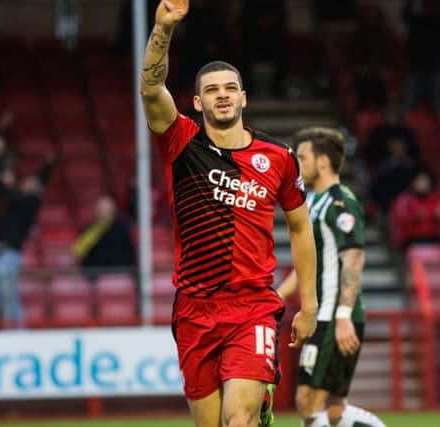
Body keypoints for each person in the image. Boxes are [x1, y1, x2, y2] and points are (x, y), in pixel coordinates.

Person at [140, 2, 318, 427]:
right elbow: (150, 90)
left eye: (229, 88)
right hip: (194, 308)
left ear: (243, 96)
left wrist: (308, 305)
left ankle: (252, 409)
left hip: (252, 305)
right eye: (212, 90)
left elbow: (300, 227)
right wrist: (163, 28)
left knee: (236, 420)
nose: (222, 95)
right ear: (198, 102)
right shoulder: (181, 142)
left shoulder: (278, 157)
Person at [277, 127, 386, 427]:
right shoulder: (312, 202)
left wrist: (343, 316)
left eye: (303, 157)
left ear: (322, 161)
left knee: (308, 401)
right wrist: (279, 296)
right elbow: (306, 266)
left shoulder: (341, 202)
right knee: (334, 408)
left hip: (334, 316)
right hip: (323, 316)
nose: (298, 164)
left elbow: (353, 258)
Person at [0, 156, 54, 325]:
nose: (26, 184)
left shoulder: (31, 201)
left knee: (7, 294)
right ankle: (12, 325)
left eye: (31, 183)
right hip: (0, 251)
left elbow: (9, 193)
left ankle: (14, 328)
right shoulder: (18, 201)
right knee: (3, 294)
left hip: (9, 252)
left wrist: (6, 183)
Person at [72, 195, 136, 278]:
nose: (104, 213)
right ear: (96, 211)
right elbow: (78, 251)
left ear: (113, 211)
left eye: (107, 210)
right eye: (101, 210)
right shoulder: (89, 229)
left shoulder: (122, 229)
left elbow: (129, 255)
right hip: (94, 274)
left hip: (119, 273)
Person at [390, 169, 440, 250]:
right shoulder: (405, 199)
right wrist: (414, 217)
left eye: (425, 182)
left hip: (432, 235)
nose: (423, 184)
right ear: (413, 183)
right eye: (420, 182)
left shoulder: (435, 198)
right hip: (412, 237)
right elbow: (399, 221)